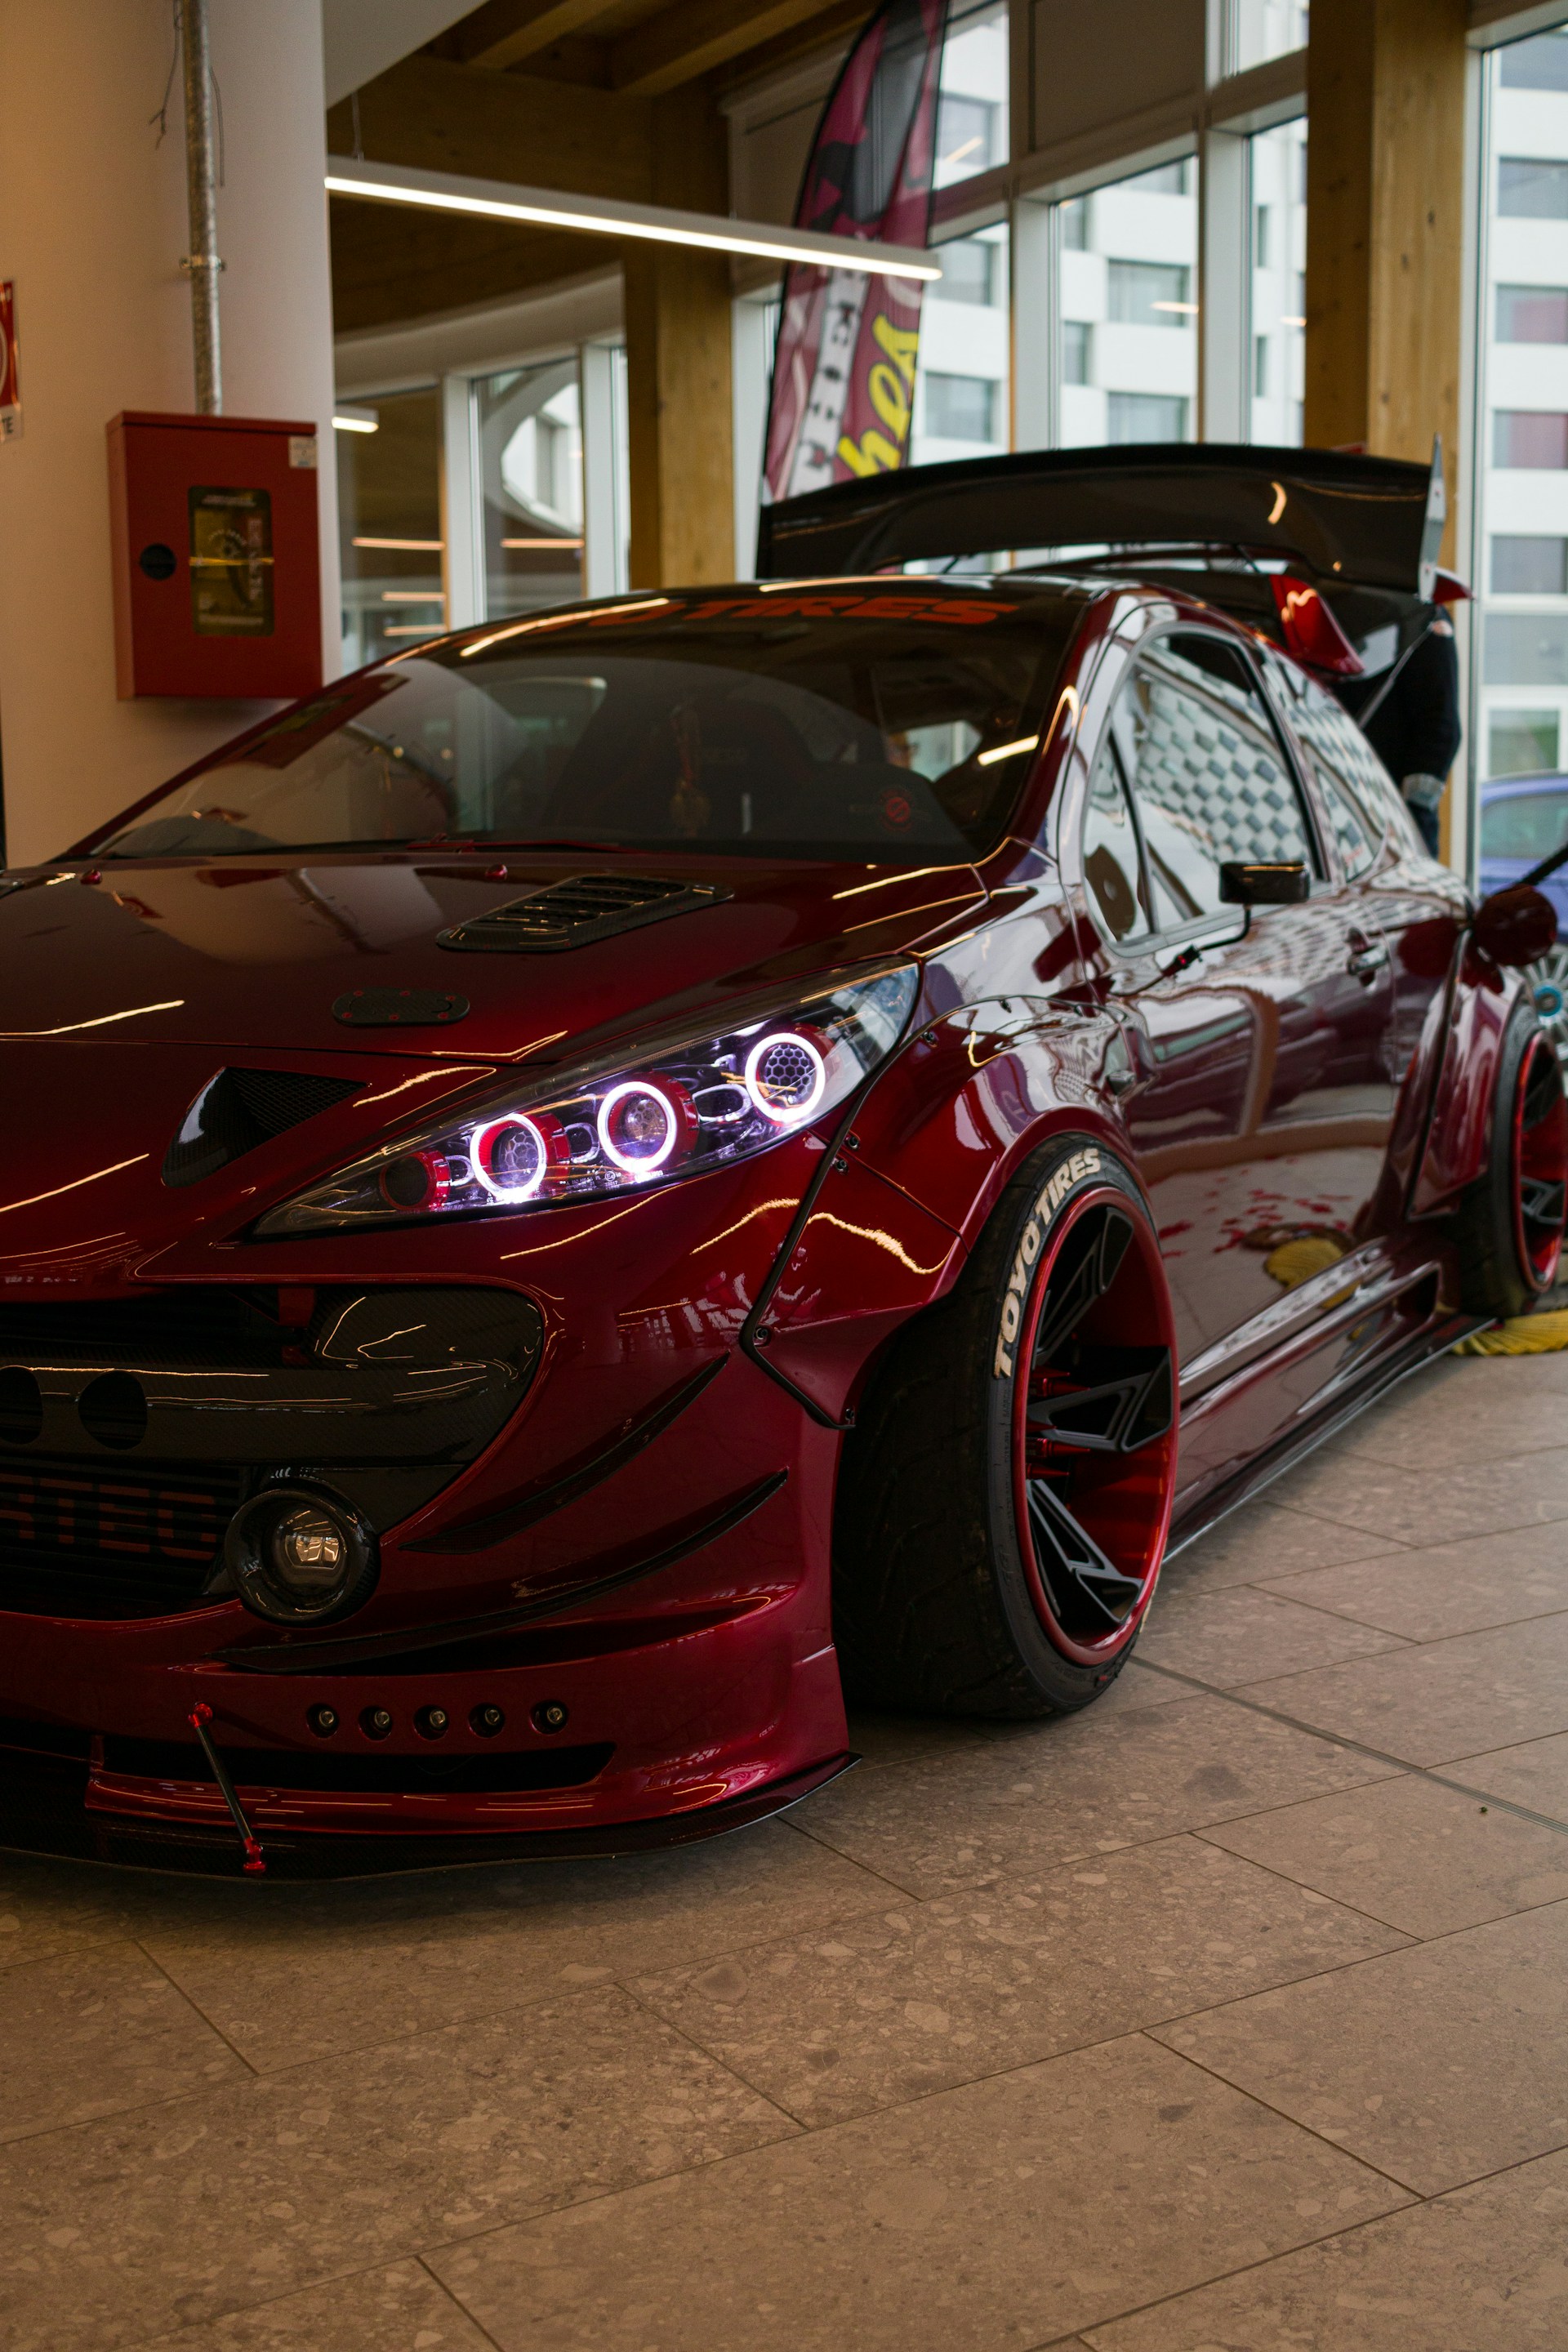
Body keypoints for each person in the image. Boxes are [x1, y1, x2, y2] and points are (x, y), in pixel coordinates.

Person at [1333, 608, 1461, 858]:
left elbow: (1441, 729)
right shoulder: (1314, 603)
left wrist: (1411, 814)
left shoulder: (1424, 616)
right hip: (1333, 800)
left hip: (1395, 814)